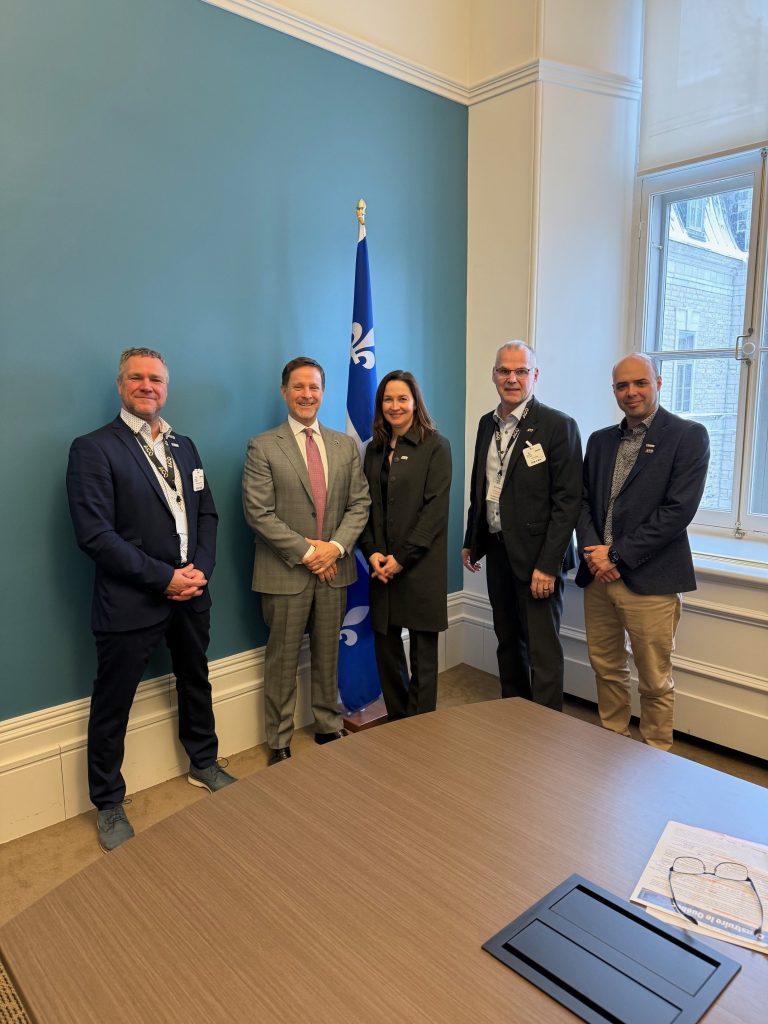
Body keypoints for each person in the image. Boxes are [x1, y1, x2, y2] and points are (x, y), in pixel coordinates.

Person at [66, 348, 235, 853]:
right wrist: (165, 578)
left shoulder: (185, 446)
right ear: (121, 385)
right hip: (131, 601)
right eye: (137, 378)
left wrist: (199, 572)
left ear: (167, 387)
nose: (147, 386)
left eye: (156, 379)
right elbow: (95, 535)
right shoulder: (93, 448)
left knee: (195, 680)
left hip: (192, 594)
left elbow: (207, 515)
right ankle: (109, 801)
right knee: (113, 701)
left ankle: (204, 762)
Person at [576, 353, 710, 751]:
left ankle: (656, 754)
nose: (630, 392)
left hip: (651, 579)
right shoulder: (601, 440)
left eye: (640, 383)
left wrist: (615, 555)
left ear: (659, 383)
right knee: (606, 668)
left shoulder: (687, 436)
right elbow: (582, 502)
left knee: (654, 678)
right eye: (622, 385)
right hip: (598, 577)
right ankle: (613, 742)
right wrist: (594, 554)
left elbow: (677, 512)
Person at [242, 357, 370, 764]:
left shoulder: (344, 444)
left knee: (328, 654)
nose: (306, 395)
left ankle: (328, 725)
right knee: (281, 660)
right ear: (285, 392)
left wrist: (335, 547)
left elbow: (360, 503)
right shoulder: (263, 446)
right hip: (286, 572)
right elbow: (258, 513)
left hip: (336, 569)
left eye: (314, 387)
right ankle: (278, 740)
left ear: (323, 392)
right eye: (298, 387)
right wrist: (311, 552)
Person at [462, 341, 582, 709]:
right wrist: (472, 539)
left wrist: (548, 565)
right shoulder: (488, 423)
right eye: (504, 371)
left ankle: (544, 734)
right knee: (508, 641)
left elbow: (568, 502)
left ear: (535, 375)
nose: (511, 378)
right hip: (498, 550)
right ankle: (514, 717)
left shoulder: (558, 426)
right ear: (493, 374)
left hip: (538, 560)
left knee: (543, 652)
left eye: (520, 371)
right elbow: (481, 488)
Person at [358, 370, 452, 719]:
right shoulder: (373, 449)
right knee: (386, 648)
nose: (394, 406)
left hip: (420, 566)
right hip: (381, 566)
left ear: (415, 402)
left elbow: (435, 512)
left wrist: (401, 558)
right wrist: (373, 553)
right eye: (387, 399)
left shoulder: (436, 446)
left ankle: (422, 726)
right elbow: (365, 505)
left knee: (423, 655)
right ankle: (399, 721)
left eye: (402, 399)